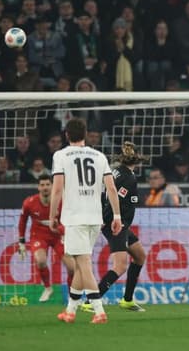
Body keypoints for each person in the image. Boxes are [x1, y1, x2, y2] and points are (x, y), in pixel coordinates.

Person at [51, 118, 122, 324]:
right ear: (85, 134)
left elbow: (57, 189)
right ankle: (70, 311)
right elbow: (111, 188)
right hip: (95, 217)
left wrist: (53, 216)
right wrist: (116, 215)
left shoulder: (61, 155)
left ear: (66, 135)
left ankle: (99, 311)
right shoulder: (99, 156)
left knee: (83, 263)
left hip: (75, 217)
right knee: (82, 265)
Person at [81, 142, 148, 313]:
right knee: (120, 266)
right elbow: (115, 198)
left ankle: (127, 300)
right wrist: (108, 218)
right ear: (137, 158)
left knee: (139, 255)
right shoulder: (129, 178)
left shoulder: (116, 169)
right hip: (115, 223)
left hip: (116, 221)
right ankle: (90, 301)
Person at [17, 174, 75, 302]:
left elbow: (70, 220)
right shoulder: (29, 203)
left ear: (52, 186)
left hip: (58, 235)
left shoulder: (62, 201)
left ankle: (72, 296)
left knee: (72, 268)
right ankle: (48, 288)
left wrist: (62, 231)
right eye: (42, 185)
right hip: (38, 236)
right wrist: (21, 242)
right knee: (41, 260)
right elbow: (22, 222)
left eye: (48, 185)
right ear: (38, 187)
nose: (45, 188)